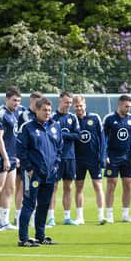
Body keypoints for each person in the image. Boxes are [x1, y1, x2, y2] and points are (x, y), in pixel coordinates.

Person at [17, 97, 62, 247]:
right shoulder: (27, 127)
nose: (47, 113)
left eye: (49, 110)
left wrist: (56, 165)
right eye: (44, 110)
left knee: (44, 204)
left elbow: (59, 149)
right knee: (29, 204)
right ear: (37, 110)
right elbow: (21, 150)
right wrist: (28, 168)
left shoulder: (55, 126)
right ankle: (23, 238)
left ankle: (40, 236)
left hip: (50, 173)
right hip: (33, 173)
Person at [0, 86, 22, 231]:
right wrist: (6, 158)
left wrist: (15, 156)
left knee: (9, 189)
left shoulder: (14, 114)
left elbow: (13, 138)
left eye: (19, 101)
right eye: (14, 100)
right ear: (7, 99)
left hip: (12, 156)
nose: (17, 103)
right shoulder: (1, 114)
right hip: (1, 157)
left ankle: (4, 221)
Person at [103, 95, 131, 223]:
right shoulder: (109, 119)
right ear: (119, 104)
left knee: (128, 185)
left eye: (130, 106)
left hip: (128, 157)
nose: (128, 109)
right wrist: (105, 155)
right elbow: (103, 139)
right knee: (111, 185)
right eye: (126, 106)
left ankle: (125, 214)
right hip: (113, 156)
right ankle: (109, 215)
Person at [48, 91, 81, 226]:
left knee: (68, 187)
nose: (68, 105)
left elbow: (77, 135)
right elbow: (49, 135)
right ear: (60, 101)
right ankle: (51, 217)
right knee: (53, 187)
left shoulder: (73, 118)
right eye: (66, 102)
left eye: (70, 103)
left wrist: (62, 135)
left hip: (70, 157)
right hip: (55, 157)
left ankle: (67, 217)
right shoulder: (52, 117)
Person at [73, 95, 106, 224]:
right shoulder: (72, 119)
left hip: (93, 159)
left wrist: (102, 156)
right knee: (79, 187)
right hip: (78, 159)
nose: (79, 108)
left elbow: (102, 139)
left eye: (81, 105)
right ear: (73, 107)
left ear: (85, 105)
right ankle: (80, 217)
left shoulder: (95, 118)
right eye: (76, 106)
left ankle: (101, 216)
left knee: (98, 186)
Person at [15, 91, 42, 226]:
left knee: (34, 190)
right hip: (27, 159)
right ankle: (20, 217)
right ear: (31, 101)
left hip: (36, 160)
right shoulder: (26, 116)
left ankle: (33, 219)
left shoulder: (41, 118)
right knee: (25, 189)